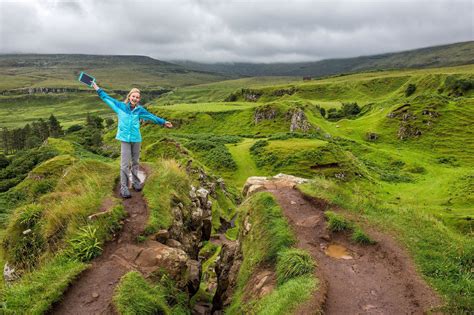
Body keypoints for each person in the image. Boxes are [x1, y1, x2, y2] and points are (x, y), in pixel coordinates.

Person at [92, 82, 173, 198]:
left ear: (139, 99)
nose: (135, 98)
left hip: (136, 139)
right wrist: (96, 87)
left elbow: (151, 116)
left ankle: (135, 182)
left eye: (137, 97)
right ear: (129, 97)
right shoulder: (120, 106)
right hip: (125, 140)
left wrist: (163, 122)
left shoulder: (140, 110)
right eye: (133, 96)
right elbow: (107, 98)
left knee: (135, 162)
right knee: (125, 164)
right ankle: (124, 188)